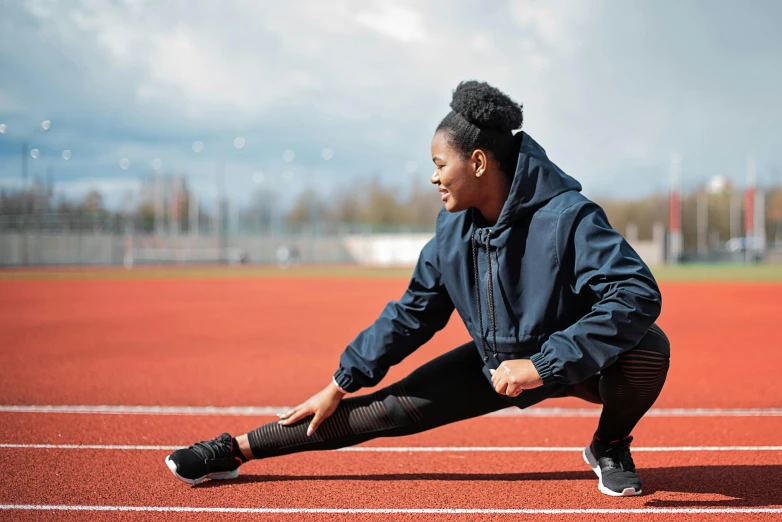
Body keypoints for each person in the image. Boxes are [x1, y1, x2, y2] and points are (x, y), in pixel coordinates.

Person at [165, 81, 670, 497]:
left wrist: (544, 363)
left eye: (438, 164)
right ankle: (233, 449)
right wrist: (342, 380)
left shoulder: (567, 217)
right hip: (496, 366)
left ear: (476, 162)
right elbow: (412, 313)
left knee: (649, 349)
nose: (433, 178)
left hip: (575, 360)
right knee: (380, 412)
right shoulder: (452, 232)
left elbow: (637, 293)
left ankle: (609, 444)